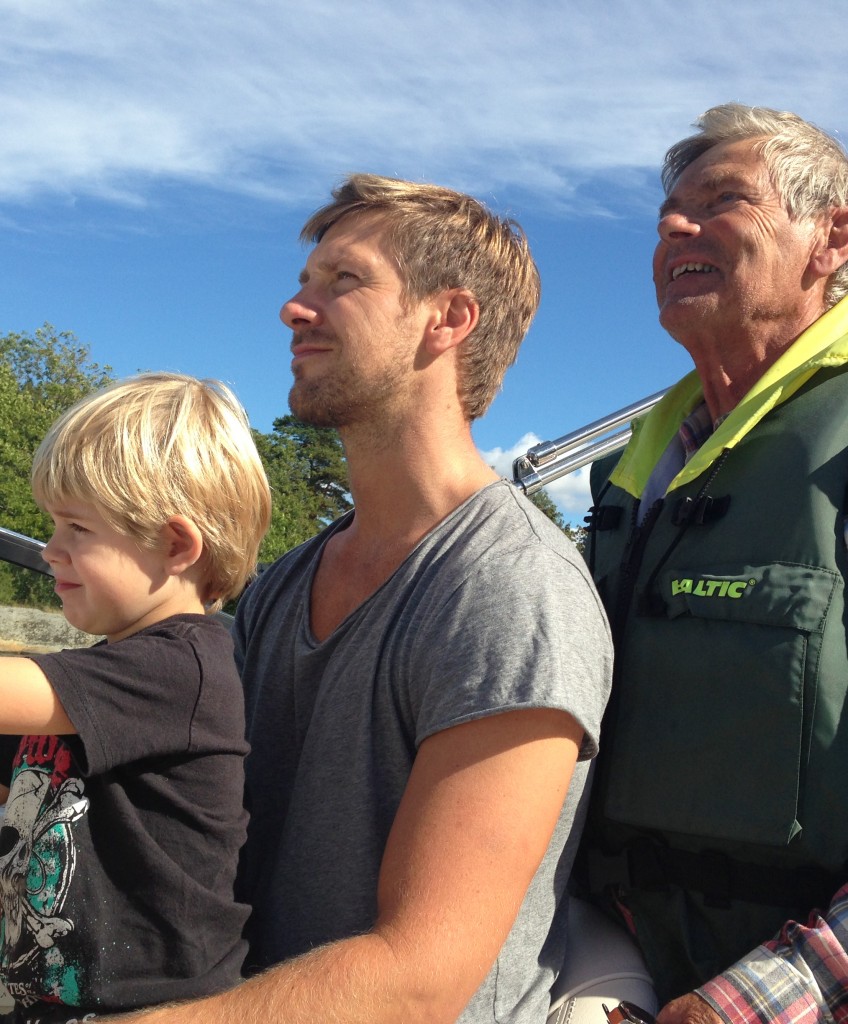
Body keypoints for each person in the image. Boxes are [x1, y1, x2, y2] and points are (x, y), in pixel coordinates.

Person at [133, 174, 612, 1024]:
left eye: (343, 281)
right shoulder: (286, 583)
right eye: (304, 283)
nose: (294, 309)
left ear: (448, 318)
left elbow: (420, 980)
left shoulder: (512, 589)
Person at [579, 103, 848, 1024]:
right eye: (668, 213)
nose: (672, 225)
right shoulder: (632, 470)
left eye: (721, 201)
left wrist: (760, 1001)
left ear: (832, 239)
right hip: (605, 960)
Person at [0, 373, 272, 1022]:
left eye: (76, 527)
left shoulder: (185, 669)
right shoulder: (104, 677)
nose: (51, 549)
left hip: (147, 1010)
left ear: (175, 545)